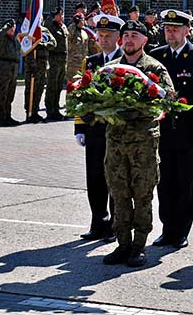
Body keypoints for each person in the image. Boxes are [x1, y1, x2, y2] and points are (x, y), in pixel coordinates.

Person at [103, 20, 174, 267]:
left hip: (143, 143)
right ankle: (122, 244)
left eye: (135, 35)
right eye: (126, 35)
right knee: (118, 193)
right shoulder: (111, 68)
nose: (129, 40)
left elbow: (168, 100)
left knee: (142, 194)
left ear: (144, 40)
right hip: (115, 142)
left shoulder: (154, 69)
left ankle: (139, 246)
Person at [150, 9, 193, 249]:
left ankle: (181, 230)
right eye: (167, 29)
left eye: (175, 29)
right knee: (164, 181)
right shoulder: (156, 57)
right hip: (162, 131)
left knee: (186, 181)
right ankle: (166, 228)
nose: (171, 33)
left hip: (189, 132)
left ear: (187, 30)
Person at [75, 14, 125, 242]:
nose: (103, 40)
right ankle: (98, 222)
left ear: (119, 38)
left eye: (109, 36)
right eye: (101, 35)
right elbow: (81, 96)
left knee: (114, 178)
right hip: (95, 130)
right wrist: (80, 127)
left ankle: (115, 225)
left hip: (118, 131)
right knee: (94, 178)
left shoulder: (126, 62)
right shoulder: (92, 62)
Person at [24, 24, 56, 123]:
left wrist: (43, 44)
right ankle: (29, 112)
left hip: (43, 65)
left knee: (39, 89)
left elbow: (54, 43)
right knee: (31, 90)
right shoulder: (29, 31)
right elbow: (26, 47)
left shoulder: (45, 30)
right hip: (32, 64)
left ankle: (35, 112)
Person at [0, 19, 21, 127]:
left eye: (13, 27)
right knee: (2, 94)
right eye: (10, 27)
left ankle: (8, 116)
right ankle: (2, 118)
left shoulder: (14, 39)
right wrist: (5, 27)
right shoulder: (2, 38)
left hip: (13, 68)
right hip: (3, 68)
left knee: (10, 94)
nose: (12, 29)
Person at [44, 6, 69, 121]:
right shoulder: (50, 26)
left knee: (59, 86)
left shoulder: (63, 27)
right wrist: (51, 18)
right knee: (52, 86)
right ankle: (50, 110)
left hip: (63, 58)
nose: (61, 17)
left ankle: (56, 108)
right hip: (54, 58)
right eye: (59, 15)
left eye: (62, 14)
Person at [66, 12, 89, 81]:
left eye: (83, 20)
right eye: (81, 20)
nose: (83, 22)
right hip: (73, 62)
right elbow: (69, 35)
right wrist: (75, 23)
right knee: (71, 82)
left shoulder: (84, 32)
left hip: (82, 62)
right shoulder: (72, 30)